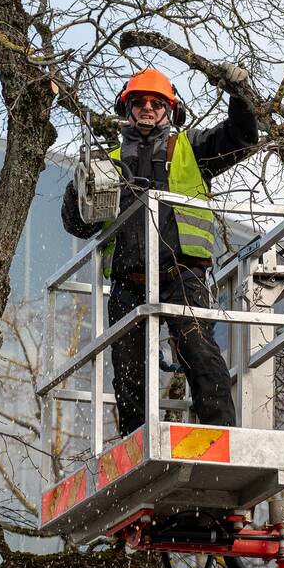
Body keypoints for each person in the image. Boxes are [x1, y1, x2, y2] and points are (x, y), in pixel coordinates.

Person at [61, 65, 256, 436]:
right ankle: (136, 441)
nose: (148, 108)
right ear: (127, 108)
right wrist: (79, 188)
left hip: (181, 273)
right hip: (128, 282)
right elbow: (78, 225)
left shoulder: (191, 149)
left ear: (171, 110)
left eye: (156, 102)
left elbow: (242, 138)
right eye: (139, 102)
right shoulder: (108, 163)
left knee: (198, 350)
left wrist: (240, 94)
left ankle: (219, 434)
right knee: (130, 371)